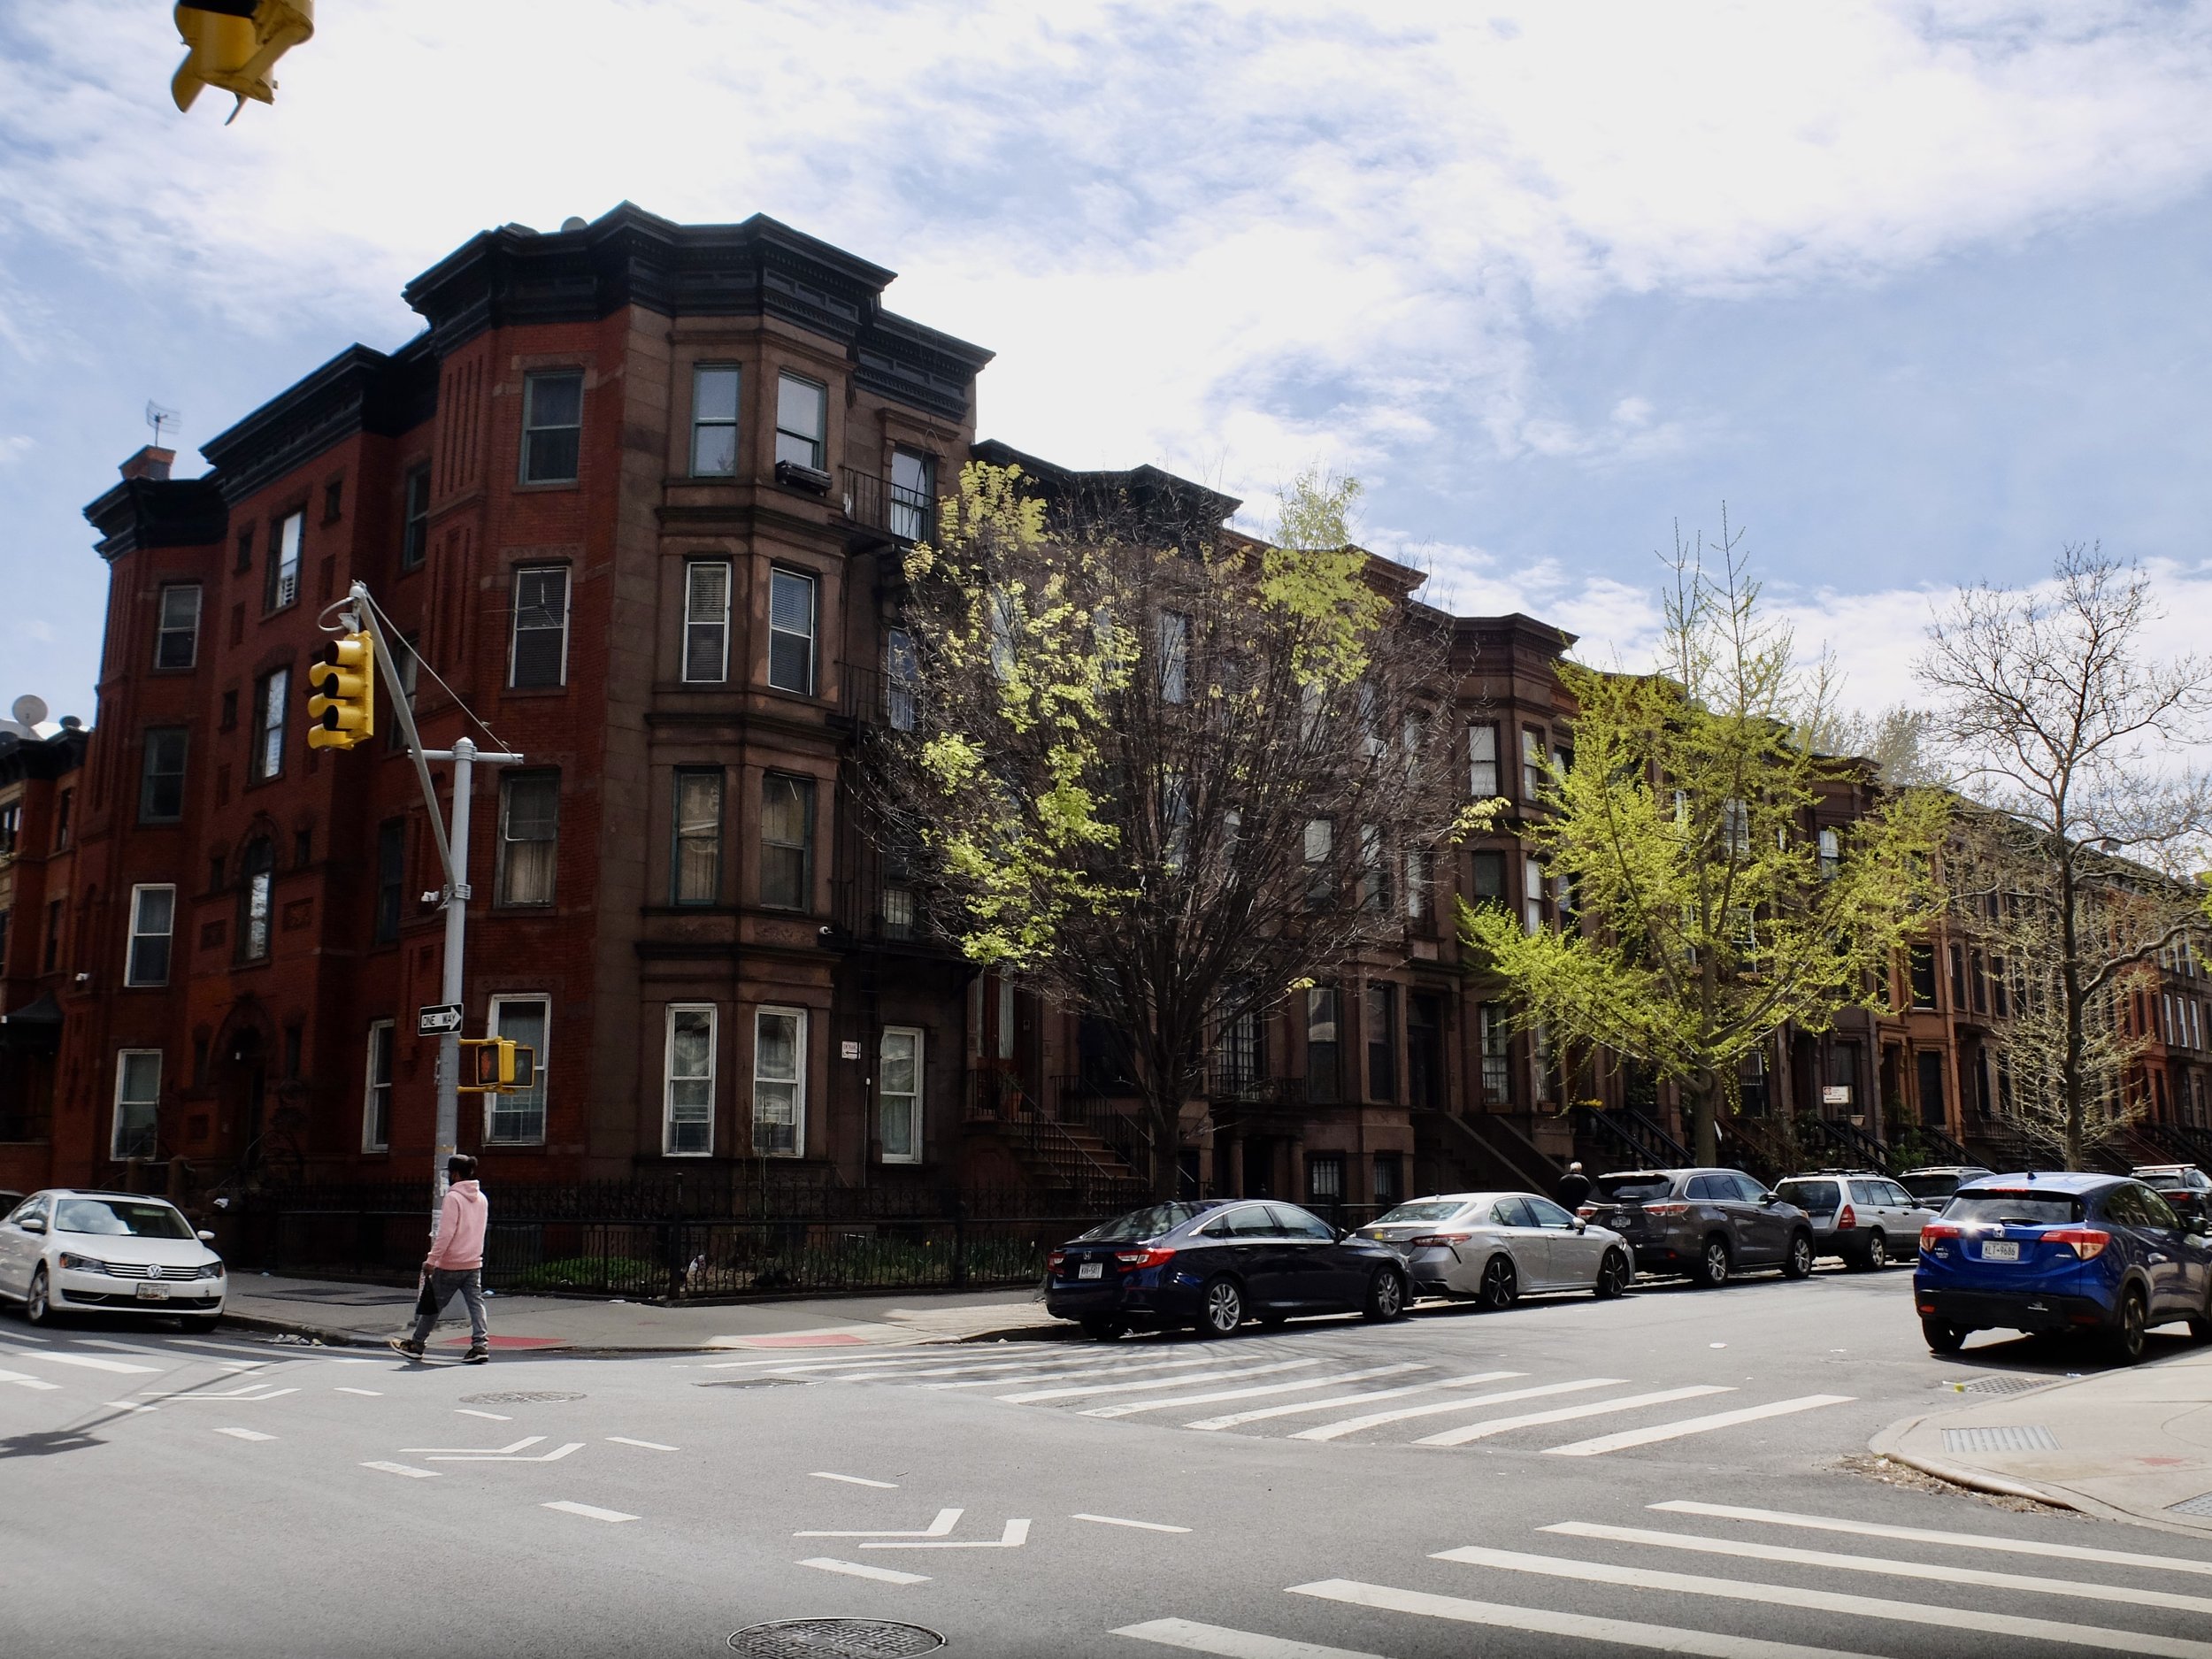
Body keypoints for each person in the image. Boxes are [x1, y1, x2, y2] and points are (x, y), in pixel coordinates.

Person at [390, 1156, 489, 1363]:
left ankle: (417, 1344)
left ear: (454, 1174)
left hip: (451, 1263)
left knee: (432, 1306)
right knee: (476, 1304)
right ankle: (480, 1346)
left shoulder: (453, 1198)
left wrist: (432, 1260)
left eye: (448, 1174)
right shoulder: (481, 1198)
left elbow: (446, 1234)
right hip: (473, 1262)